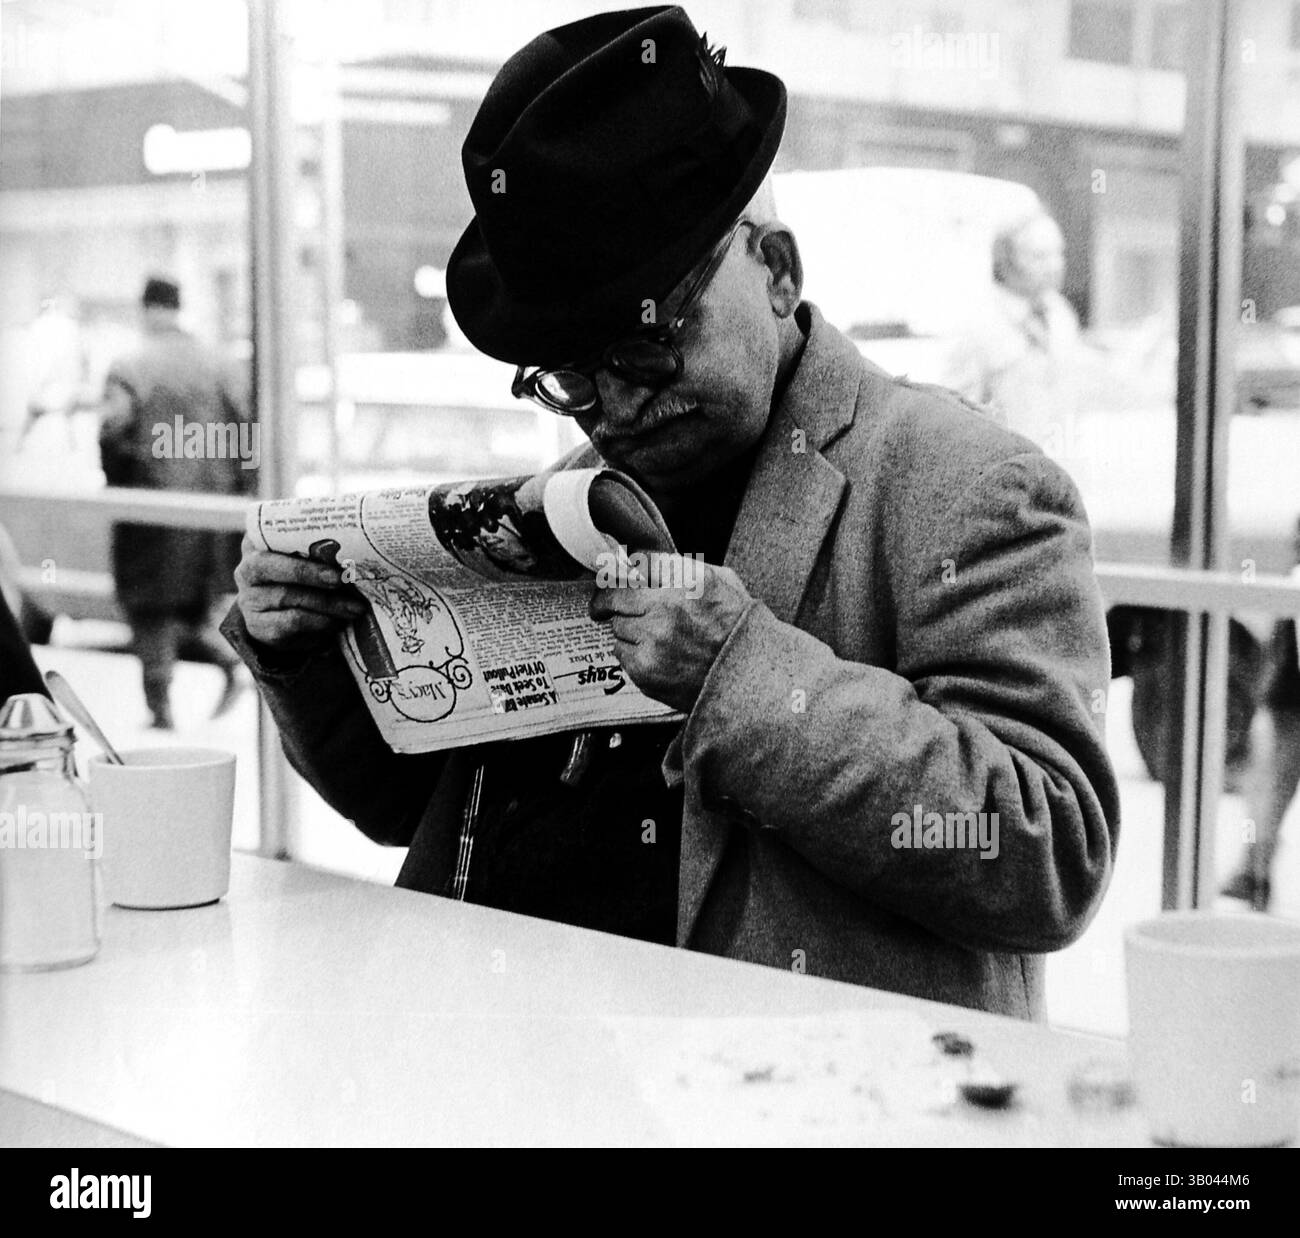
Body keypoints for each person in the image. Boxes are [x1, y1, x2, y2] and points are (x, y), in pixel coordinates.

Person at [223, 6, 1119, 1018]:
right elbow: (405, 810)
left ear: (774, 271)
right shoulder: (576, 495)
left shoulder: (964, 484)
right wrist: (308, 653)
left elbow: (1047, 851)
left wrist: (740, 675)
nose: (618, 405)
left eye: (650, 348)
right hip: (487, 1056)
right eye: (571, 377)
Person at [100, 277, 252, 730]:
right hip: (213, 513)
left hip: (153, 511)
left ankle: (160, 706)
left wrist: (119, 484)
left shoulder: (130, 365)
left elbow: (112, 431)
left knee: (151, 609)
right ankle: (231, 662)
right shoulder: (220, 363)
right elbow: (248, 429)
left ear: (146, 308)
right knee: (201, 603)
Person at [949, 208, 1087, 448]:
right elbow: (956, 421)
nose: (1054, 266)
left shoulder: (1061, 315)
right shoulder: (979, 325)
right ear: (1006, 261)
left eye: (1058, 253)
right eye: (1039, 256)